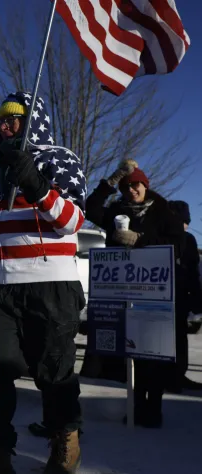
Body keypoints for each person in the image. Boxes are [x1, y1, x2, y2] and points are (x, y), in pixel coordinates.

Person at [0, 92, 86, 474]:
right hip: (0, 286)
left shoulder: (61, 159)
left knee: (54, 373)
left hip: (49, 283)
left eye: (13, 118)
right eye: (0, 119)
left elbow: (70, 221)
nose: (3, 125)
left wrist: (36, 183)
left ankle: (64, 445)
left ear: (33, 120)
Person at [85, 162, 183, 428]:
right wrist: (112, 179)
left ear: (145, 185)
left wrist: (140, 240)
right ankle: (136, 405)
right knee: (131, 354)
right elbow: (91, 209)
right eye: (126, 186)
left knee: (154, 353)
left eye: (135, 184)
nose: (131, 190)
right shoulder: (117, 210)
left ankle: (154, 409)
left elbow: (179, 245)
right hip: (123, 289)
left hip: (155, 292)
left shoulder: (163, 210)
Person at [167, 200, 202, 392]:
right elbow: (193, 273)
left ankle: (176, 375)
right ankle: (174, 377)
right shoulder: (185, 239)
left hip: (177, 296)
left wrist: (196, 300)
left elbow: (193, 272)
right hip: (173, 296)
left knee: (177, 337)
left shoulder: (187, 239)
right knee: (176, 338)